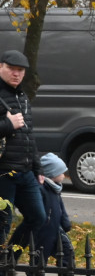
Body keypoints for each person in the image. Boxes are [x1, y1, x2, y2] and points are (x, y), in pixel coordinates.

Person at [0, 49, 45, 249]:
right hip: (3, 172)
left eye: (20, 70)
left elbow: (29, 135)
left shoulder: (23, 97)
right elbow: (13, 127)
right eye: (11, 68)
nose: (16, 74)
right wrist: (8, 124)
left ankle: (8, 261)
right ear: (0, 67)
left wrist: (38, 167)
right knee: (2, 224)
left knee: (38, 217)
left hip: (25, 172)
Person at [10, 153, 73, 276]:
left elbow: (61, 209)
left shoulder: (56, 189)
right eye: (61, 172)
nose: (64, 174)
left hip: (57, 229)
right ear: (51, 173)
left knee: (68, 250)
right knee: (40, 257)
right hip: (44, 230)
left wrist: (66, 223)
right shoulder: (41, 189)